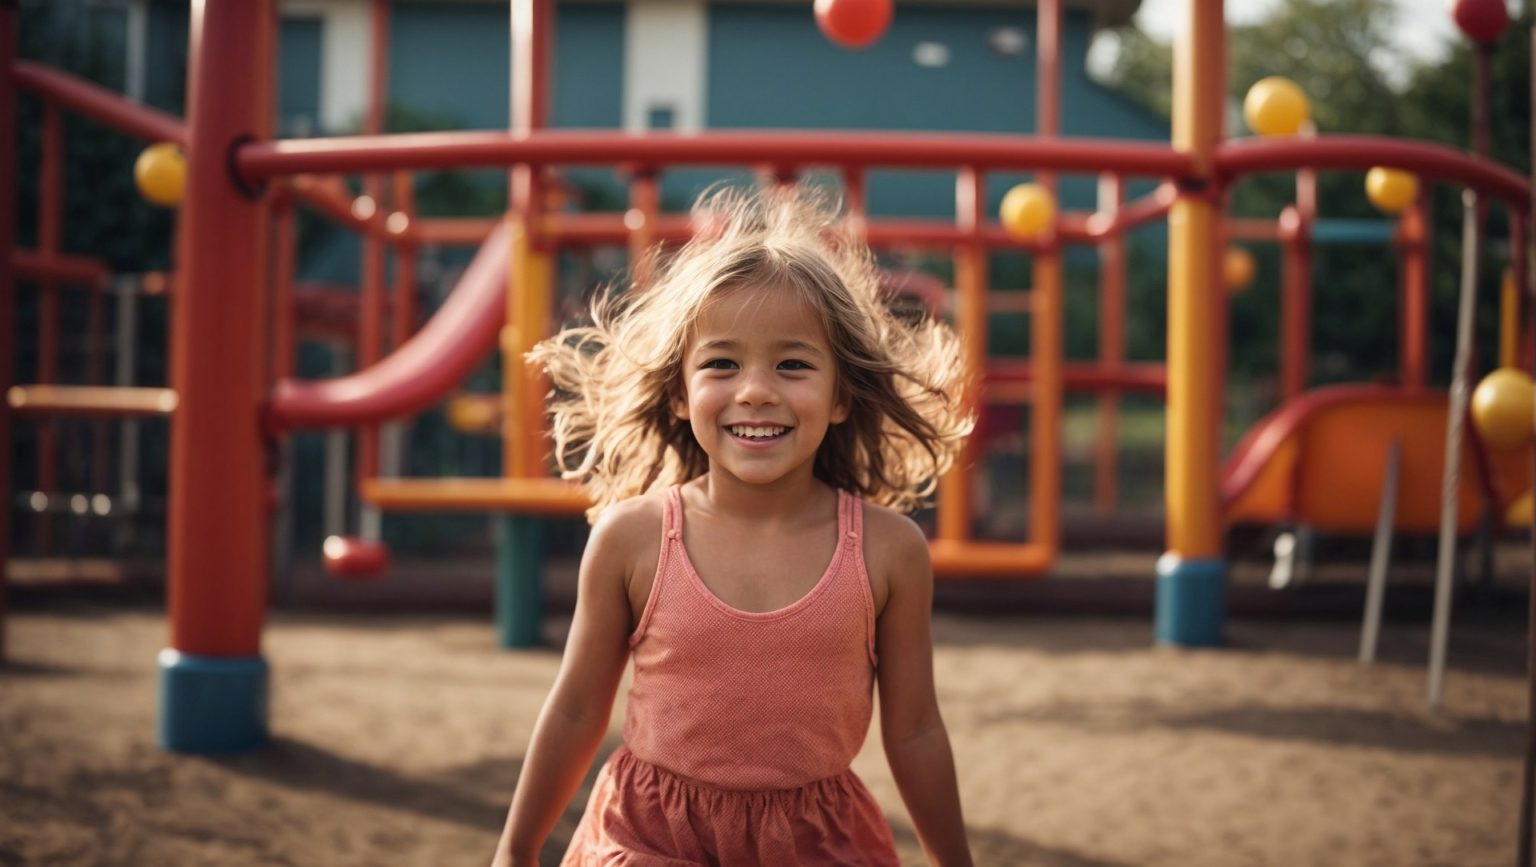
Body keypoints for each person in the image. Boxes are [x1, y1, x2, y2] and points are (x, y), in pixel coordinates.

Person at [491, 184, 975, 866]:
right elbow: (574, 709)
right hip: (651, 838)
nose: (754, 389)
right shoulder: (632, 541)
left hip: (818, 843)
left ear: (840, 395)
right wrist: (515, 848)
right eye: (722, 362)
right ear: (680, 393)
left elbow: (916, 729)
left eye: (792, 364)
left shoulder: (888, 553)